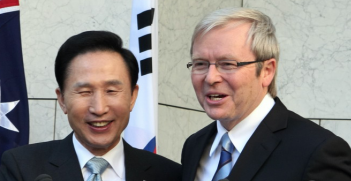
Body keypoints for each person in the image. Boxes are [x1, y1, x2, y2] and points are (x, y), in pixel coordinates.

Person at [181, 8, 351, 181]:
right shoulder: (194, 146)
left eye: (227, 64)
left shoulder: (316, 151)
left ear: (267, 71)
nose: (210, 78)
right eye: (200, 64)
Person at [0, 31, 181, 181]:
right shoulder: (21, 167)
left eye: (111, 91)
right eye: (85, 92)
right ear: (62, 99)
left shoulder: (169, 175)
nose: (99, 108)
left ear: (133, 96)